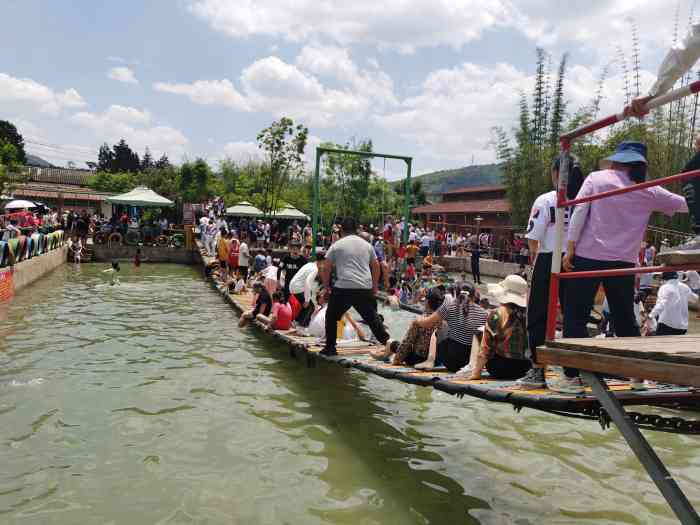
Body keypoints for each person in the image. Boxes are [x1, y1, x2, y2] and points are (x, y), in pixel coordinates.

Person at [559, 141, 689, 393]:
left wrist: (570, 247)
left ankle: (572, 377)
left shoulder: (597, 179)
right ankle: (636, 376)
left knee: (575, 315)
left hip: (589, 258)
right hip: (623, 262)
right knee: (625, 320)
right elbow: (684, 204)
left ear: (617, 160)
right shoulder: (649, 189)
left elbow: (579, 212)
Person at [516, 155, 582, 390]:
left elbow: (534, 240)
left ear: (556, 173)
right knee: (574, 318)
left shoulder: (545, 200)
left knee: (537, 317)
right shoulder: (584, 199)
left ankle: (537, 371)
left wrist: (536, 264)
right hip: (575, 260)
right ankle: (573, 374)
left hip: (548, 258)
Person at [319, 217, 390, 356]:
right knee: (373, 319)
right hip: (364, 287)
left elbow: (325, 267)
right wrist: (374, 286)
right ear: (356, 230)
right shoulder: (367, 245)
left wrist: (326, 286)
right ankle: (390, 343)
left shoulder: (337, 245)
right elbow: (376, 265)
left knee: (331, 316)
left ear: (342, 230)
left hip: (343, 287)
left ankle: (330, 347)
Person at [410, 283, 488, 372]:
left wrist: (416, 320)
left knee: (438, 329)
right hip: (469, 361)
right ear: (474, 297)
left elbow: (427, 323)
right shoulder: (484, 313)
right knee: (480, 335)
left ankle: (430, 361)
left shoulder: (449, 306)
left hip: (450, 361)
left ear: (457, 294)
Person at [466, 275, 532, 380]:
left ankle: (472, 366)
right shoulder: (530, 314)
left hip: (500, 368)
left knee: (480, 334)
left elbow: (485, 348)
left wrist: (476, 373)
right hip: (525, 368)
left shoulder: (496, 314)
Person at [379, 288, 445, 366]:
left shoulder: (420, 320)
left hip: (418, 359)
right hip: (437, 361)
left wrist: (396, 360)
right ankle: (383, 355)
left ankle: (385, 359)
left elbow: (407, 342)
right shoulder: (444, 320)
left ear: (427, 302)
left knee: (391, 342)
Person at [288, 250, 325, 327]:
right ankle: (298, 325)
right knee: (309, 306)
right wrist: (307, 300)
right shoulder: (315, 269)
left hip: (295, 286)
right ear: (322, 262)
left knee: (310, 307)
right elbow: (308, 283)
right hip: (297, 287)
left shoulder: (310, 264)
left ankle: (304, 324)